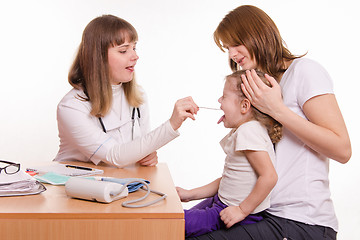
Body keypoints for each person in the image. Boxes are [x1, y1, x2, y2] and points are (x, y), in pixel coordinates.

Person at [187, 5, 351, 240]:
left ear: (257, 34)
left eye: (235, 44)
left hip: (299, 221)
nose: (232, 54)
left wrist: (277, 110)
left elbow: (342, 150)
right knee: (171, 227)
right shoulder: (259, 87)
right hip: (261, 211)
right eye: (227, 49)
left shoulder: (304, 72)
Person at [54, 15, 198, 168]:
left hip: (119, 184)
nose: (135, 56)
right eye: (123, 51)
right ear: (98, 58)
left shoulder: (138, 96)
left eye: (134, 48)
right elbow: (115, 156)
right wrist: (172, 124)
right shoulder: (71, 106)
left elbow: (141, 147)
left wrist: (147, 155)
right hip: (72, 186)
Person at [177, 70, 282, 237]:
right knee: (174, 218)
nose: (219, 101)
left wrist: (241, 210)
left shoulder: (249, 131)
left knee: (174, 223)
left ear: (244, 106)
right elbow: (229, 180)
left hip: (231, 210)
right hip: (221, 201)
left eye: (224, 97)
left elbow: (269, 177)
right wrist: (190, 194)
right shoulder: (247, 129)